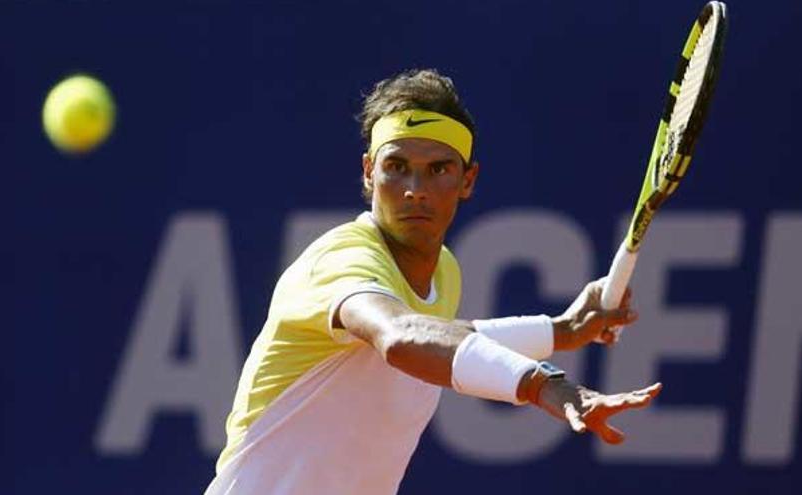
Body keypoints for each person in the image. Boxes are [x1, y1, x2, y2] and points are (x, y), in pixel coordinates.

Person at [204, 69, 661, 495]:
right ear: (368, 172)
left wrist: (561, 329)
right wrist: (546, 385)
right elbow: (401, 337)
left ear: (468, 179)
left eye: (439, 169)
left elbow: (445, 336)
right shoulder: (341, 258)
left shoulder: (443, 269)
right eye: (396, 166)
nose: (415, 188)